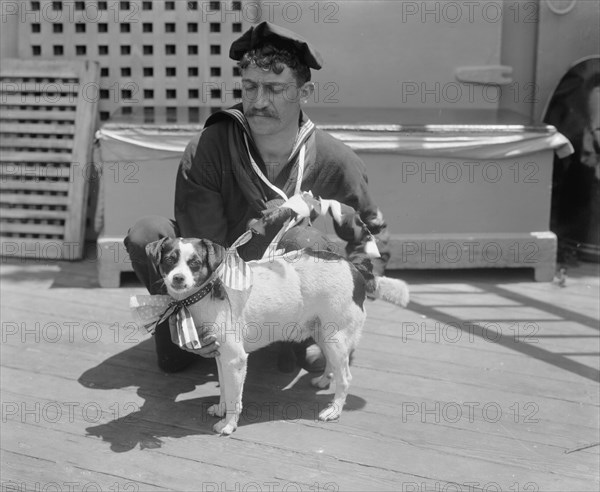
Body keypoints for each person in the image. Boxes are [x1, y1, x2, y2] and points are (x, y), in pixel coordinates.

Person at [124, 21, 390, 373]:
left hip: (283, 279)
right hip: (218, 266)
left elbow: (371, 230)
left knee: (307, 240)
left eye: (275, 89)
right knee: (146, 233)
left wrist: (353, 299)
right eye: (250, 87)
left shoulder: (335, 158)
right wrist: (206, 313)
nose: (259, 101)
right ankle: (181, 320)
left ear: (304, 91)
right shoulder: (210, 145)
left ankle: (310, 331)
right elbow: (203, 241)